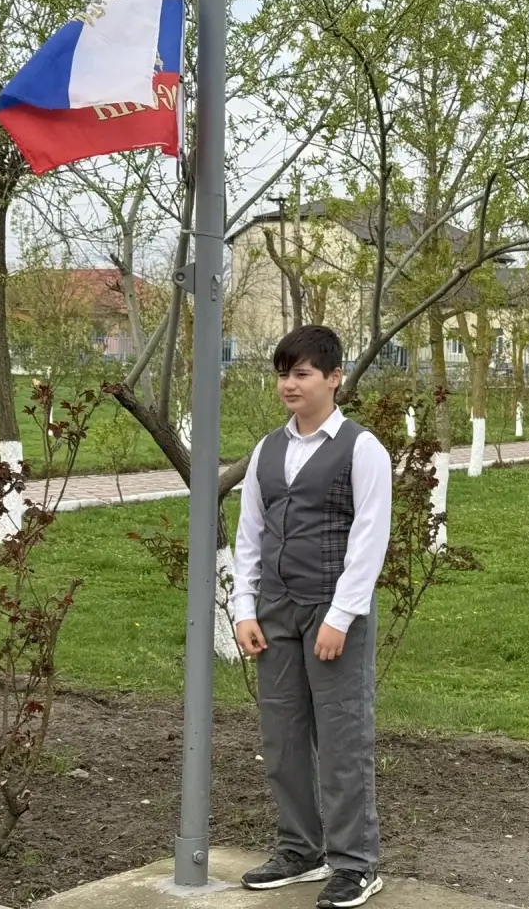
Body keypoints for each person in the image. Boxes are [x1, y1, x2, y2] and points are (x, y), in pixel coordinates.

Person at [230, 324, 392, 909]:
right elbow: (250, 534)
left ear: (334, 378)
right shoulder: (267, 450)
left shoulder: (362, 449)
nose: (289, 385)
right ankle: (301, 850)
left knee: (343, 740)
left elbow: (370, 539)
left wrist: (340, 616)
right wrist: (243, 608)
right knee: (282, 739)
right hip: (274, 612)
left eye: (301, 373)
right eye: (283, 374)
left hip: (332, 611)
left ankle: (356, 864)